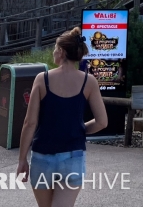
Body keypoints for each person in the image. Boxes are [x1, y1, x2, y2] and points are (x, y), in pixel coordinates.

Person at [17, 27, 108, 207]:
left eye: (55, 48)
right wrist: (79, 130)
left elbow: (30, 123)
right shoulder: (89, 81)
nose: (53, 52)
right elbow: (102, 122)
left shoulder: (42, 79)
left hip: (42, 156)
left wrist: (22, 160)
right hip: (73, 157)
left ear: (62, 52)